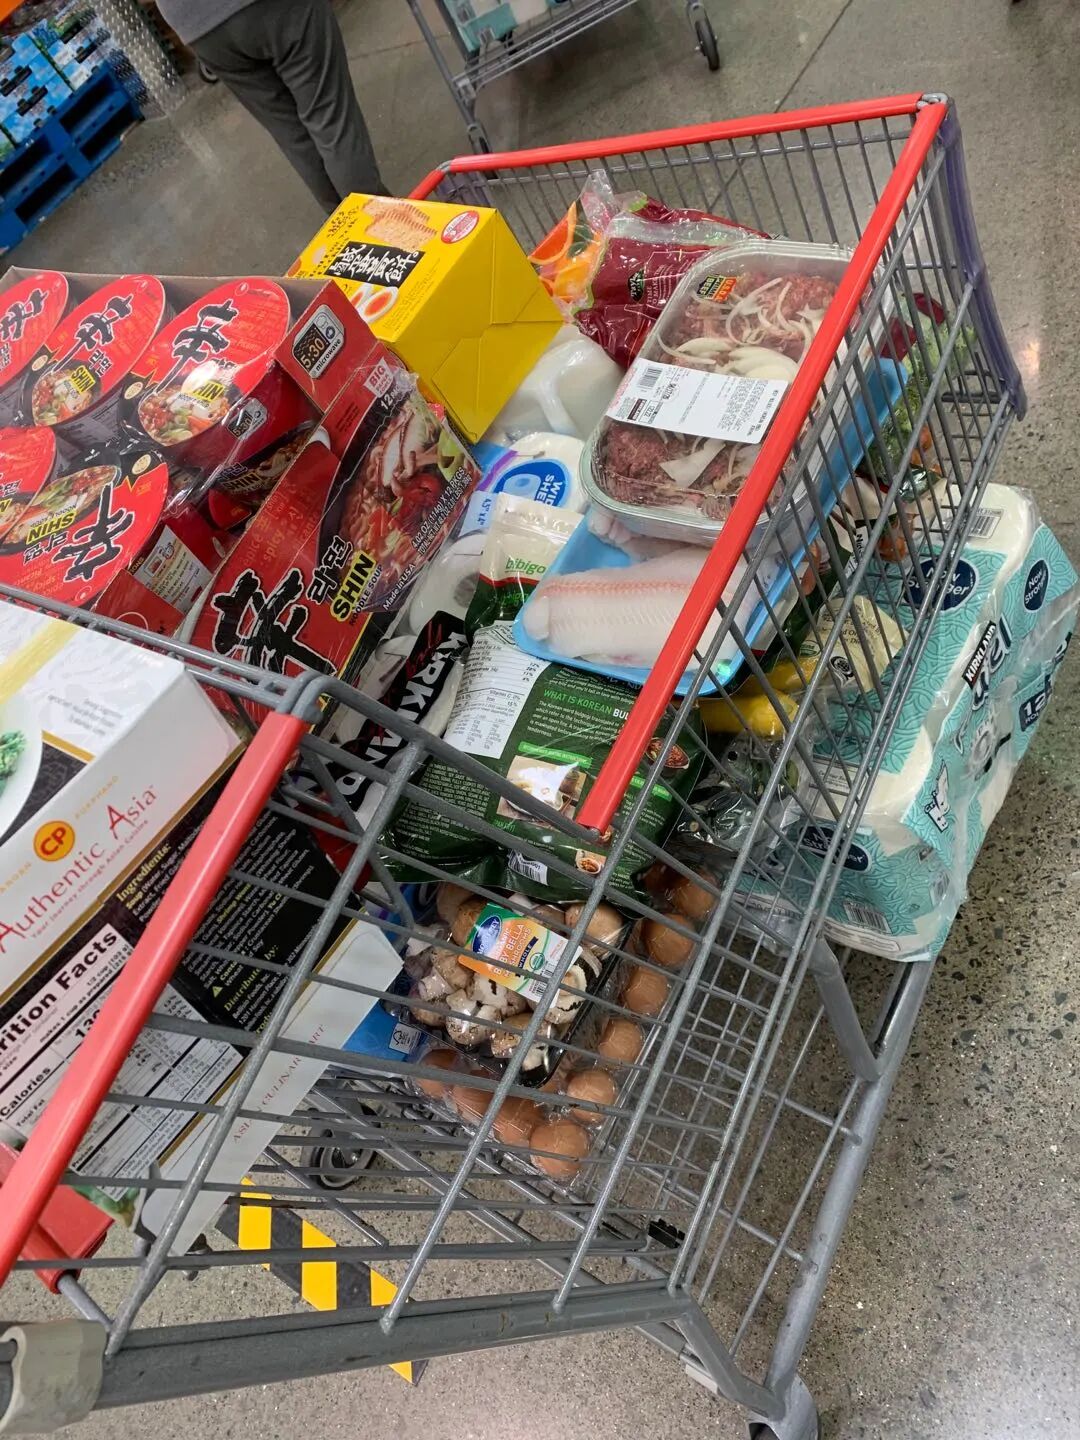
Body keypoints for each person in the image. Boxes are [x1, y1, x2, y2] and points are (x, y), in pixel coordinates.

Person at [156, 0, 386, 211]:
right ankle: (381, 227)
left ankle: (347, 227)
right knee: (329, 117)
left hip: (196, 24)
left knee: (291, 133)